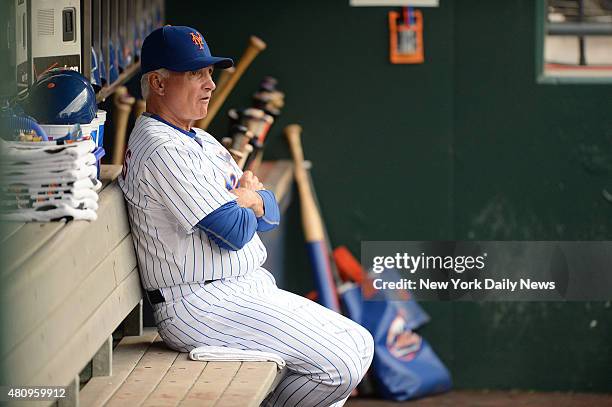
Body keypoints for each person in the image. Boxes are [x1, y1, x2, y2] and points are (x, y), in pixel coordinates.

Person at [118, 25, 373, 407]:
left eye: (208, 73)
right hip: (199, 302)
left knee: (358, 342)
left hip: (241, 288)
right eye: (194, 74)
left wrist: (251, 199)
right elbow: (234, 232)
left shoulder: (198, 139)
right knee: (340, 361)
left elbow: (268, 215)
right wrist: (252, 201)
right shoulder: (160, 146)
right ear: (157, 82)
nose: (210, 84)